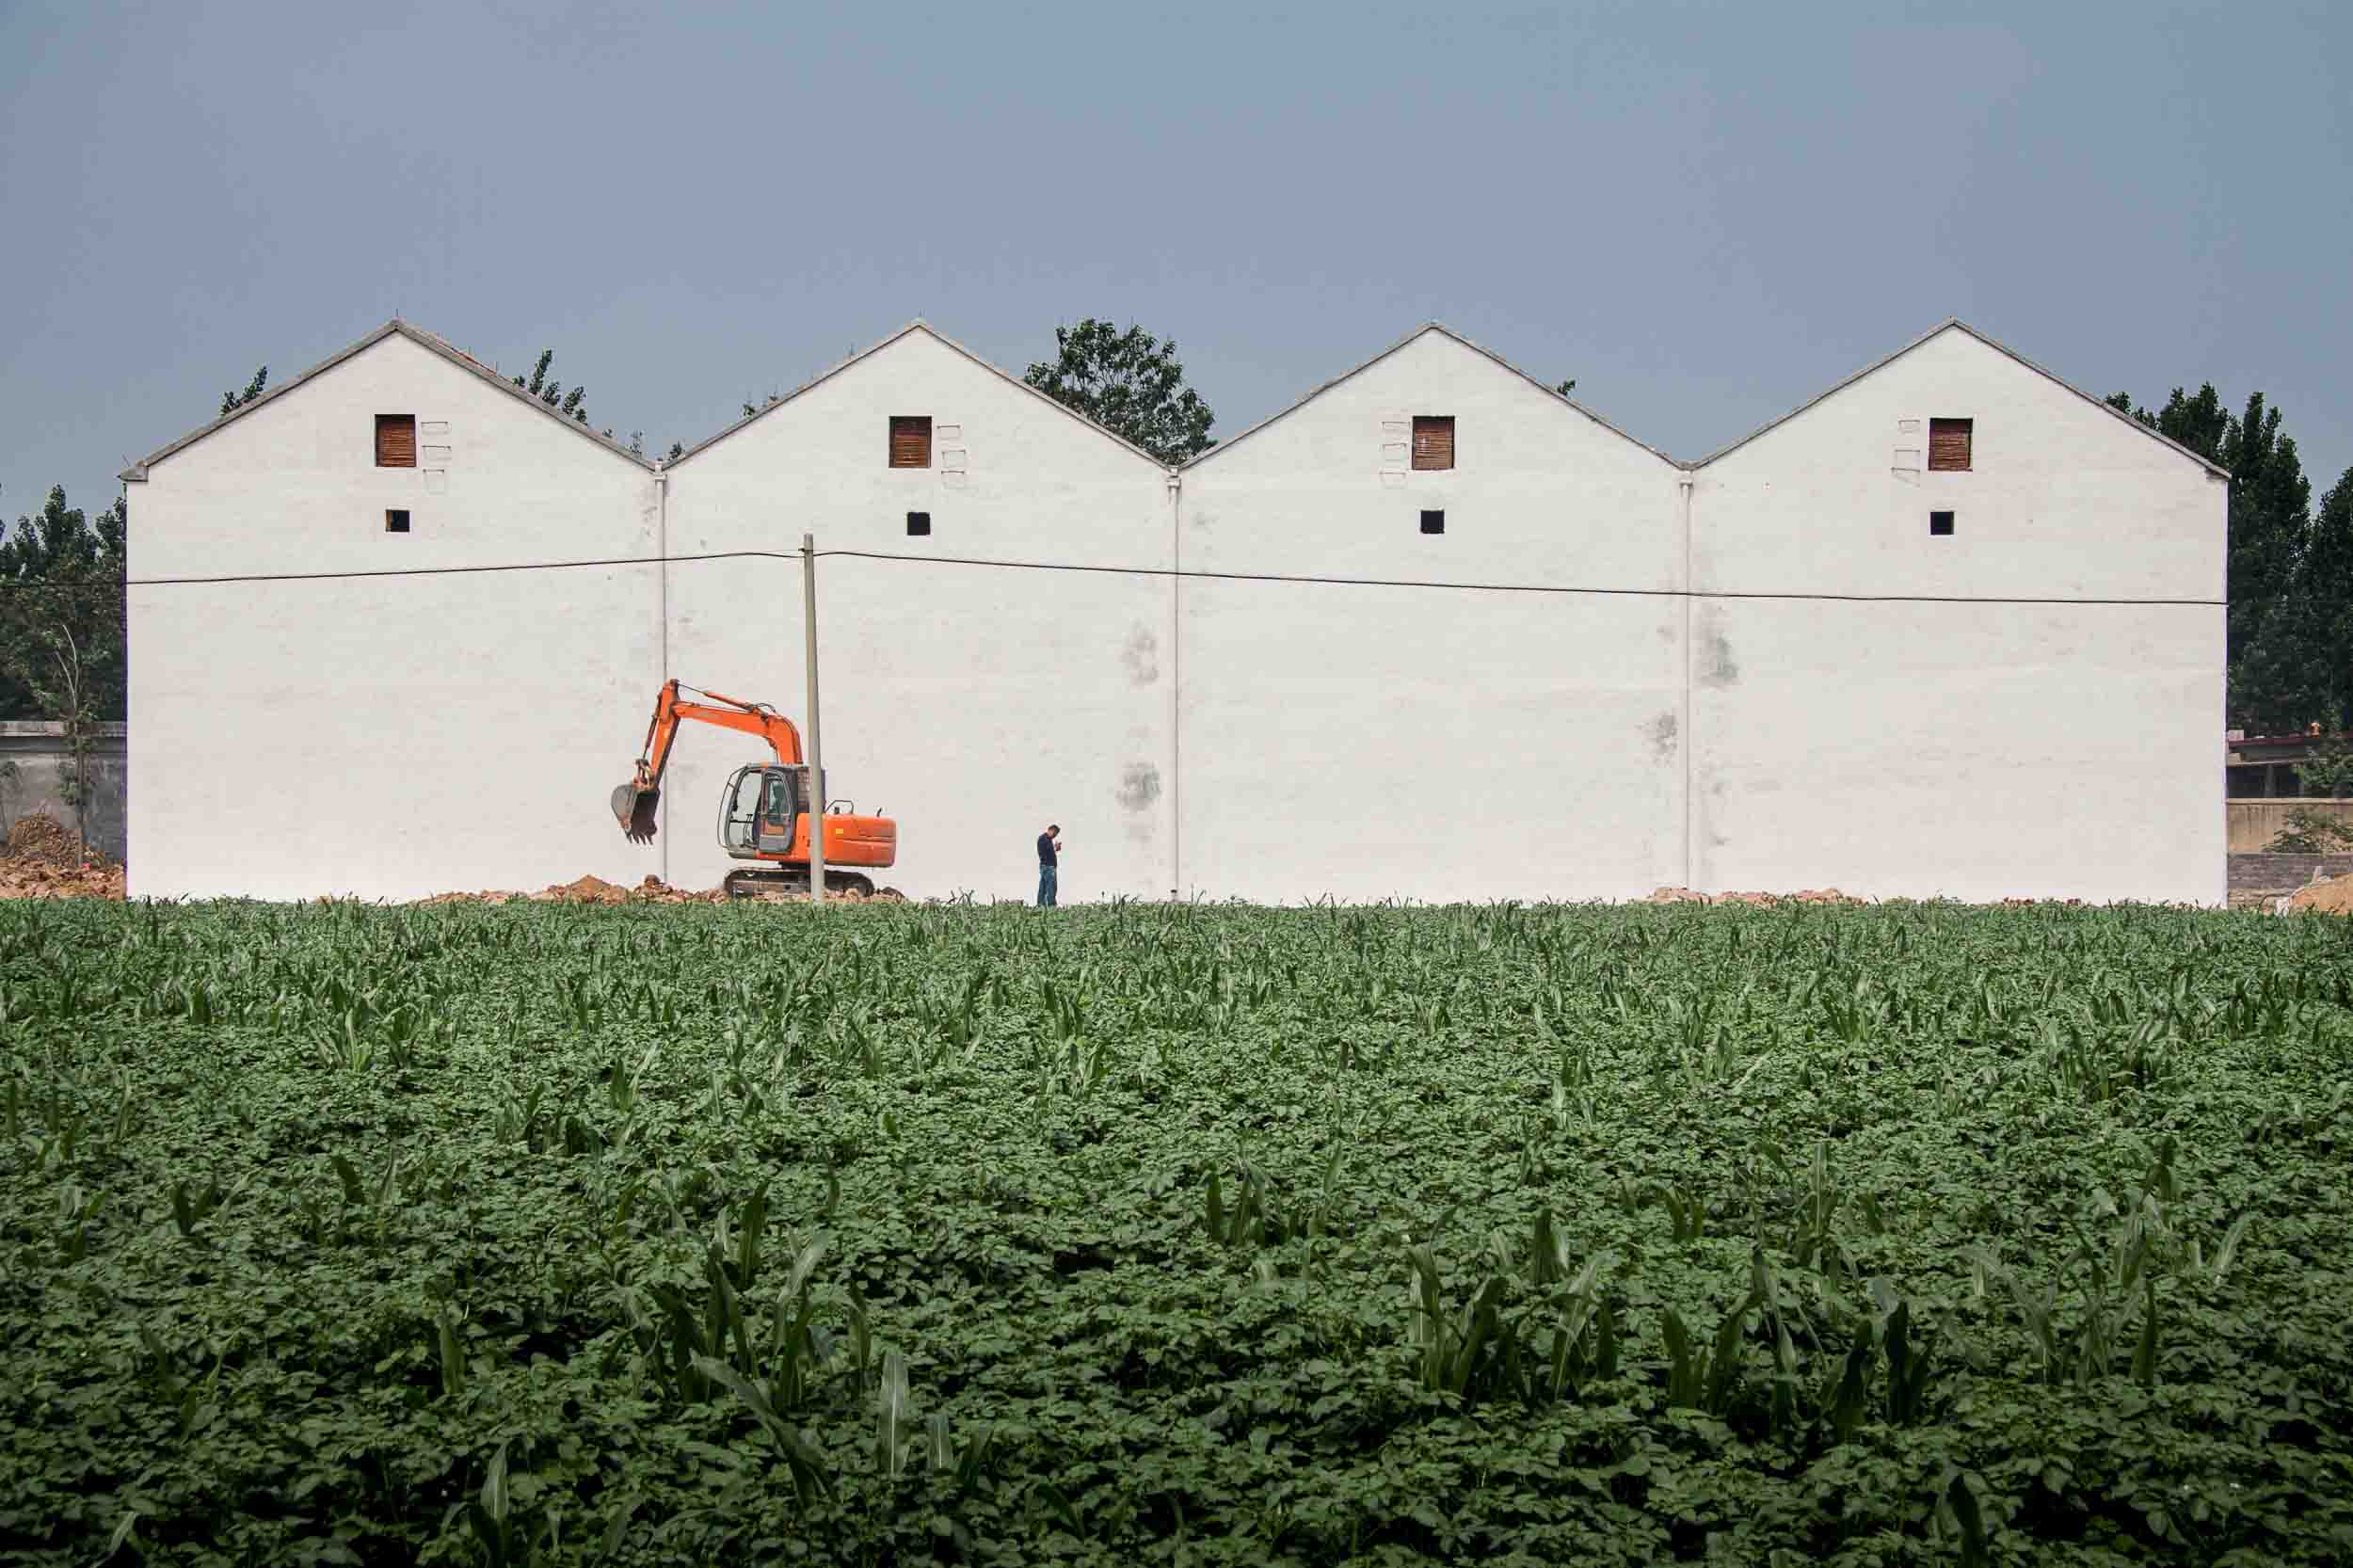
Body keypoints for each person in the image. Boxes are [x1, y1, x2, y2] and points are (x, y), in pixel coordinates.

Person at [1036, 824, 1063, 907]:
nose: (1055, 836)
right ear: (1051, 830)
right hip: (1048, 867)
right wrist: (1055, 848)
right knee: (1051, 887)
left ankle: (1041, 905)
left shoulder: (1045, 839)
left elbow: (1048, 852)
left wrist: (1054, 848)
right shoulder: (1044, 839)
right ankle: (1052, 905)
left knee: (1043, 887)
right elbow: (1046, 854)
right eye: (1055, 833)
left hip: (1045, 866)